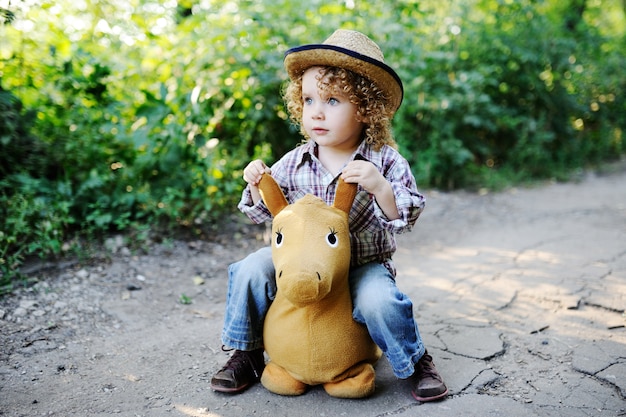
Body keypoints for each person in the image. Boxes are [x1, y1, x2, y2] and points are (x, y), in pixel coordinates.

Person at [210, 29, 448, 402]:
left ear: (365, 108)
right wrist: (257, 182)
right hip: (302, 265)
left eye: (333, 100)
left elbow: (407, 215)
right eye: (308, 100)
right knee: (249, 269)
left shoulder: (384, 160)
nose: (316, 112)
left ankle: (415, 361)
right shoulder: (294, 162)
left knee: (380, 302)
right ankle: (248, 352)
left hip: (362, 264)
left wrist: (381, 187)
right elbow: (266, 214)